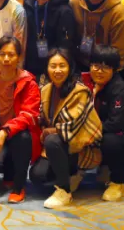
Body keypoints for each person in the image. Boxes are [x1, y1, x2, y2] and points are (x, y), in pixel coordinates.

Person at [30, 48, 101, 209]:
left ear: (70, 67)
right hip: (59, 145)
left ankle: (64, 190)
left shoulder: (80, 91)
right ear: (47, 68)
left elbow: (72, 127)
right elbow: (43, 119)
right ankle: (71, 175)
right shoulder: (46, 89)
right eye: (53, 66)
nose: (57, 70)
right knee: (37, 175)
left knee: (52, 140)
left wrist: (48, 131)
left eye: (62, 65)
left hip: (80, 146)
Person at [0, 36, 40, 203]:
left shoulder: (29, 83)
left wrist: (4, 132)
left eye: (11, 55)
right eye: (2, 54)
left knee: (23, 137)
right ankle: (7, 172)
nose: (6, 59)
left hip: (18, 135)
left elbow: (28, 115)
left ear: (19, 57)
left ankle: (18, 186)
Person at [81, 45, 124, 202]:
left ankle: (118, 182)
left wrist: (88, 132)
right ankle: (76, 175)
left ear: (114, 70)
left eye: (106, 67)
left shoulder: (119, 89)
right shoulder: (84, 83)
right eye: (96, 66)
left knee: (109, 140)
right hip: (96, 132)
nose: (99, 71)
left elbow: (116, 124)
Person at [20, 0, 77, 78]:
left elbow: (65, 45)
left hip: (54, 69)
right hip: (29, 66)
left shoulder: (64, 9)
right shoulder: (27, 5)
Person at [68, 0, 124, 69]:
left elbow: (120, 47)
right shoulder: (74, 2)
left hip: (105, 65)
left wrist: (115, 70)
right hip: (78, 60)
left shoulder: (117, 10)